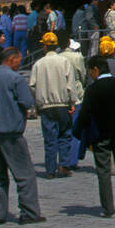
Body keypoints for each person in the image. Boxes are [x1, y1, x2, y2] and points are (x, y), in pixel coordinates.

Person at [0, 47, 45, 225]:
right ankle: (29, 212)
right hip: (9, 133)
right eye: (19, 59)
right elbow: (27, 102)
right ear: (12, 59)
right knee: (24, 174)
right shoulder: (15, 79)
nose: (20, 63)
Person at [76, 57, 115, 217]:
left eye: (90, 71)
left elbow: (85, 114)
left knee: (103, 171)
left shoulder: (92, 89)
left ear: (95, 69)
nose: (89, 74)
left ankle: (107, 208)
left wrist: (77, 131)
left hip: (100, 135)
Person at [32, 33, 79, 179]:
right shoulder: (64, 62)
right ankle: (64, 165)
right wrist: (73, 102)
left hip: (46, 106)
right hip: (62, 104)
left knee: (50, 138)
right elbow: (70, 85)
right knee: (65, 135)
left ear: (45, 46)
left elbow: (32, 86)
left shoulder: (38, 64)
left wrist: (37, 103)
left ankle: (50, 169)